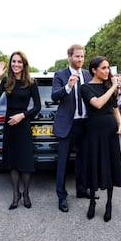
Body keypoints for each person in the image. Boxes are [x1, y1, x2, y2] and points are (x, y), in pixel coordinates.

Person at [0, 51, 41, 210]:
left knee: (25, 162)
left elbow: (37, 107)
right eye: (13, 61)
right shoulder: (6, 81)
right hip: (9, 126)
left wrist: (22, 116)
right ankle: (16, 195)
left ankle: (26, 194)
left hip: (23, 124)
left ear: (24, 64)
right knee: (13, 162)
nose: (16, 65)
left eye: (19, 62)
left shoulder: (31, 82)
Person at [51, 44, 96, 213]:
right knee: (62, 162)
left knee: (82, 160)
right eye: (77, 56)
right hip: (67, 125)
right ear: (69, 57)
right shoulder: (60, 75)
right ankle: (61, 197)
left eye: (82, 56)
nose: (80, 59)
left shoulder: (87, 74)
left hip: (84, 123)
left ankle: (81, 190)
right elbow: (55, 96)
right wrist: (68, 87)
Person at [80, 56, 121, 222]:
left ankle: (109, 203)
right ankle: (92, 201)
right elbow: (98, 104)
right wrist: (113, 86)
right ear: (94, 70)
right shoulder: (85, 88)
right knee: (95, 163)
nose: (107, 71)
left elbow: (115, 110)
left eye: (108, 68)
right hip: (94, 131)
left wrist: (120, 125)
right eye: (104, 68)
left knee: (110, 164)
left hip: (110, 131)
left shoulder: (108, 86)